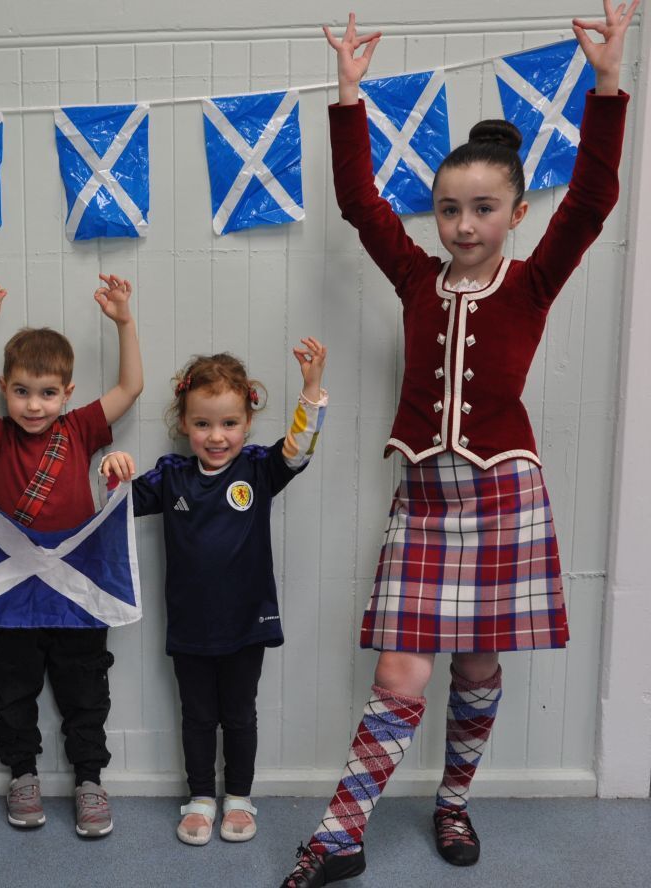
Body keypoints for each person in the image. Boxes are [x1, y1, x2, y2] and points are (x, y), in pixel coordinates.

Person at [280, 4, 636, 886]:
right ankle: (338, 837)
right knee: (401, 673)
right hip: (427, 501)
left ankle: (453, 803)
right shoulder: (412, 274)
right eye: (449, 209)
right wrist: (349, 95)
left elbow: (592, 197)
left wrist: (607, 84)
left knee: (476, 665)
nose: (464, 224)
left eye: (483, 209)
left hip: (505, 496)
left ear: (515, 211)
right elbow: (359, 202)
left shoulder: (534, 279)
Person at [100, 342, 327, 846]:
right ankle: (201, 797)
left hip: (247, 622)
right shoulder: (173, 475)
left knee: (240, 714)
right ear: (184, 423)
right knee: (198, 716)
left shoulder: (258, 470)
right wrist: (113, 467)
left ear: (246, 423)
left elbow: (299, 449)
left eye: (228, 423)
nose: (216, 435)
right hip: (191, 625)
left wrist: (311, 390)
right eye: (203, 424)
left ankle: (239, 798)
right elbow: (121, 503)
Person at [0, 275, 143, 837]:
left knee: (85, 685)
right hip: (12, 584)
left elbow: (131, 386)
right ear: (6, 388)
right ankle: (22, 774)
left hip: (77, 581)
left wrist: (124, 321)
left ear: (68, 392)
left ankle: (89, 780)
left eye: (48, 392)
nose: (35, 405)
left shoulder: (81, 428)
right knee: (13, 684)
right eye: (23, 391)